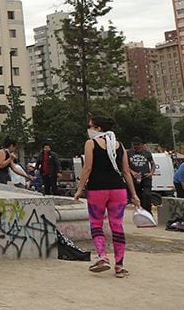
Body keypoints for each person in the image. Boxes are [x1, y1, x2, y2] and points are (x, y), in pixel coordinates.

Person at [74, 116, 141, 277]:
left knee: (96, 224)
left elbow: (87, 168)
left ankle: (102, 257)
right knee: (117, 225)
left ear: (97, 128)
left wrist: (79, 189)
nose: (88, 129)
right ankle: (119, 265)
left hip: (98, 189)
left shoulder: (91, 144)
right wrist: (134, 194)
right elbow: (126, 172)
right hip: (118, 190)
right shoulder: (119, 145)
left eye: (90, 126)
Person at [127, 136, 155, 212]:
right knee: (137, 195)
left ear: (142, 145)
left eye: (138, 145)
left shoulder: (147, 153)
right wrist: (132, 172)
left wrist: (151, 172)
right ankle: (140, 211)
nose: (136, 147)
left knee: (147, 194)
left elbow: (153, 164)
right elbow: (125, 165)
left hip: (146, 177)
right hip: (135, 178)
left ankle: (148, 212)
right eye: (134, 145)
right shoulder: (128, 153)